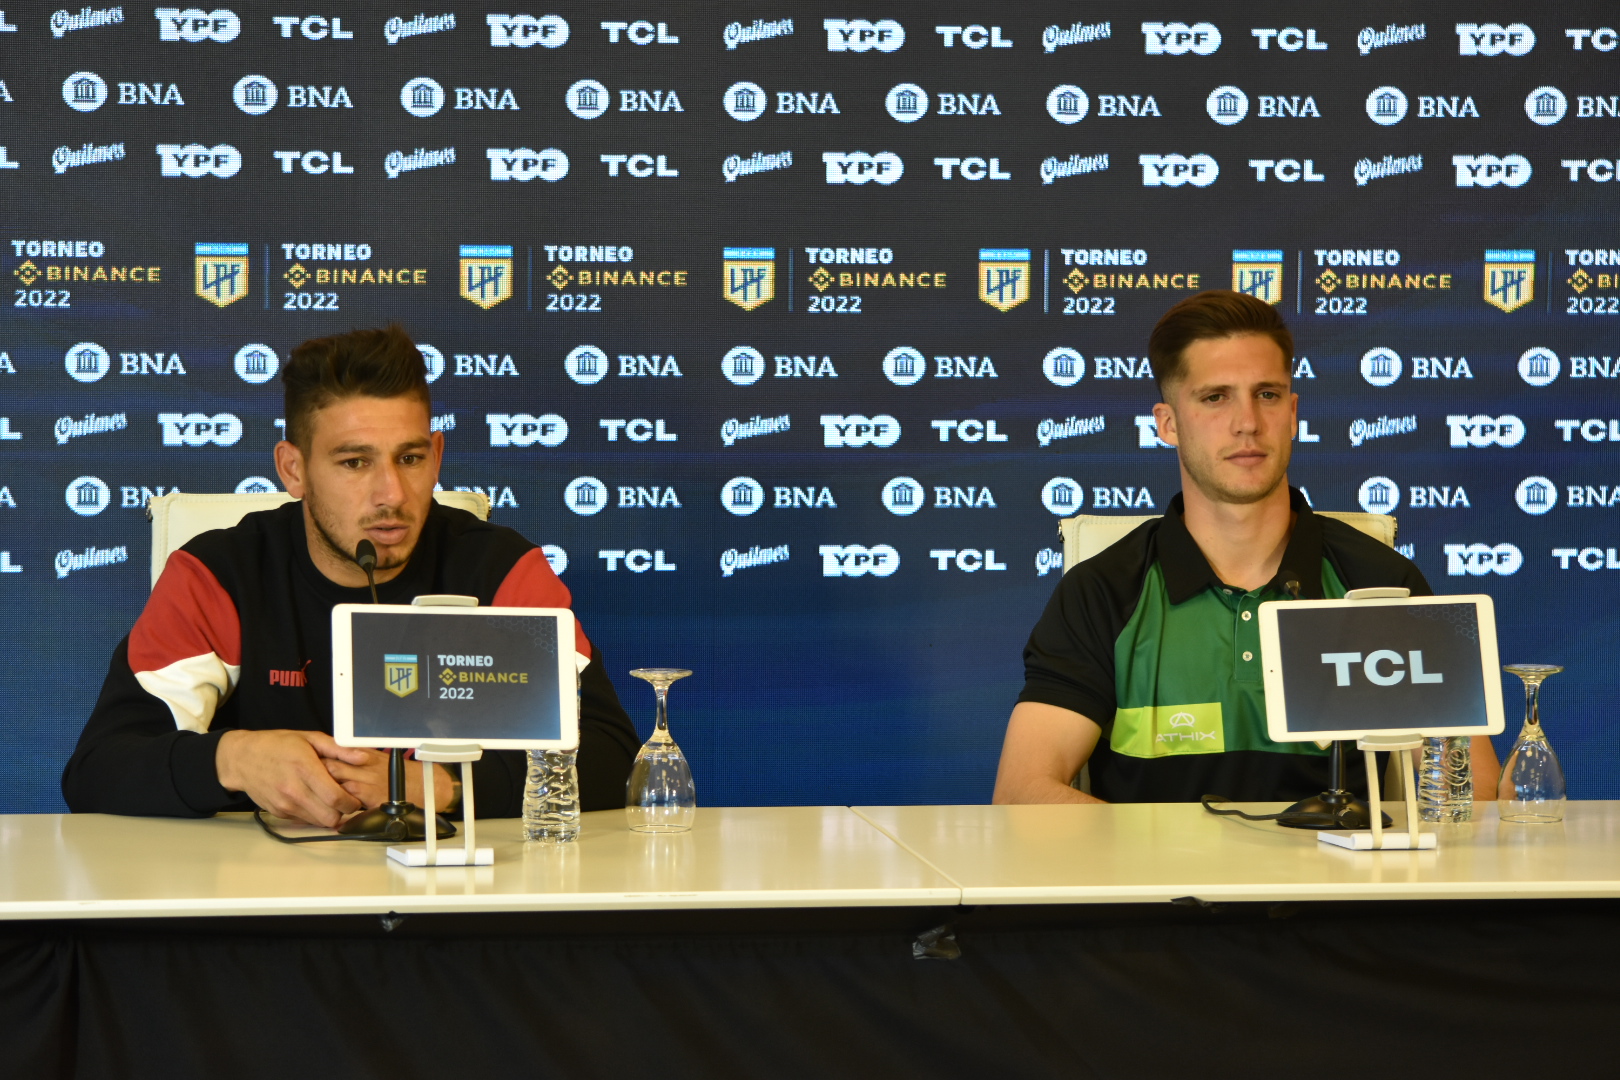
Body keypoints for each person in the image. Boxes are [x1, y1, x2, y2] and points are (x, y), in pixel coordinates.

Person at [62, 325, 640, 825]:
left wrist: (444, 787)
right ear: (294, 469)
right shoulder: (218, 575)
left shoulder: (502, 573)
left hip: (452, 895)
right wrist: (230, 759)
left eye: (410, 458)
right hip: (263, 891)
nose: (391, 494)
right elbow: (98, 769)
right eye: (354, 462)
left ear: (437, 456)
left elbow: (613, 758)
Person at [994, 291, 1501, 805]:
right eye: (1216, 397)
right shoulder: (1102, 592)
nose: (1248, 423)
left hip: (1329, 862)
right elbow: (1022, 793)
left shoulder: (1380, 584)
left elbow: (1472, 793)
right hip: (1156, 863)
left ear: (1293, 412)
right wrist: (1175, 853)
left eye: (1268, 394)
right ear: (1168, 424)